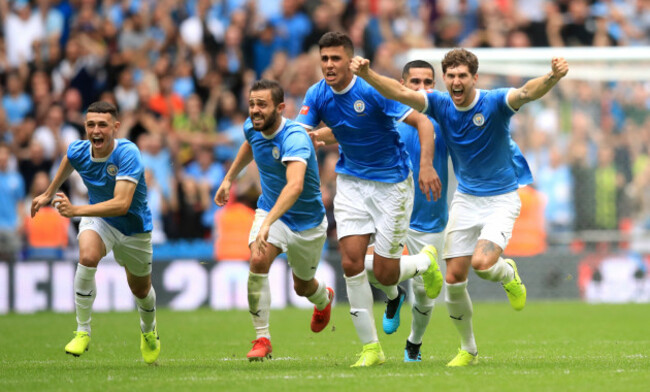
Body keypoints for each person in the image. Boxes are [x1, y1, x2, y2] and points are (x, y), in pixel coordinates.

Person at [351, 48, 568, 366]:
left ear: (474, 78)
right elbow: (398, 92)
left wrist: (552, 76)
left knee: (481, 264)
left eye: (462, 75)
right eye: (450, 75)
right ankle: (468, 349)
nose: (455, 81)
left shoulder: (494, 102)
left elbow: (525, 91)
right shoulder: (438, 105)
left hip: (501, 199)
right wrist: (367, 74)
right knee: (453, 281)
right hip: (465, 200)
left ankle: (507, 273)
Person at [296, 32, 444, 367]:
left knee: (386, 273)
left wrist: (425, 165)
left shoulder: (373, 89)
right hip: (350, 181)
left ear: (350, 60)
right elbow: (305, 133)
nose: (329, 65)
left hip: (392, 183)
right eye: (325, 59)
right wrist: (306, 139)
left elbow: (422, 121)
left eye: (336, 58)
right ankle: (371, 348)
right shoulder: (316, 94)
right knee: (350, 263)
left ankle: (424, 263)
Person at [214, 79, 334, 362]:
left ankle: (323, 299)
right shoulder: (252, 126)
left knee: (302, 287)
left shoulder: (294, 138)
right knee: (257, 260)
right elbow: (249, 144)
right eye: (252, 104)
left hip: (307, 222)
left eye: (262, 105)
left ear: (280, 108)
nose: (255, 110)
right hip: (270, 210)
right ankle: (262, 338)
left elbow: (294, 186)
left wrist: (268, 223)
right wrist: (229, 178)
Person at [31, 101, 160, 364]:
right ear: (85, 127)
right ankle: (82, 330)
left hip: (134, 228)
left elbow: (122, 204)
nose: (96, 130)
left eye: (102, 124)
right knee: (87, 256)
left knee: (141, 289)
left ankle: (148, 331)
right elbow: (69, 158)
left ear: (116, 127)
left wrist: (75, 210)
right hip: (99, 220)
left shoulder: (128, 153)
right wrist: (48, 192)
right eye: (90, 124)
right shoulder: (79, 149)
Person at [363, 60, 450, 363]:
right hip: (393, 214)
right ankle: (393, 296)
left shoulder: (443, 119)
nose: (422, 88)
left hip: (431, 220)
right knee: (365, 267)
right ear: (402, 84)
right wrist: (322, 136)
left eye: (428, 82)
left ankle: (414, 343)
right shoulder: (389, 115)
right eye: (415, 82)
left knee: (425, 295)